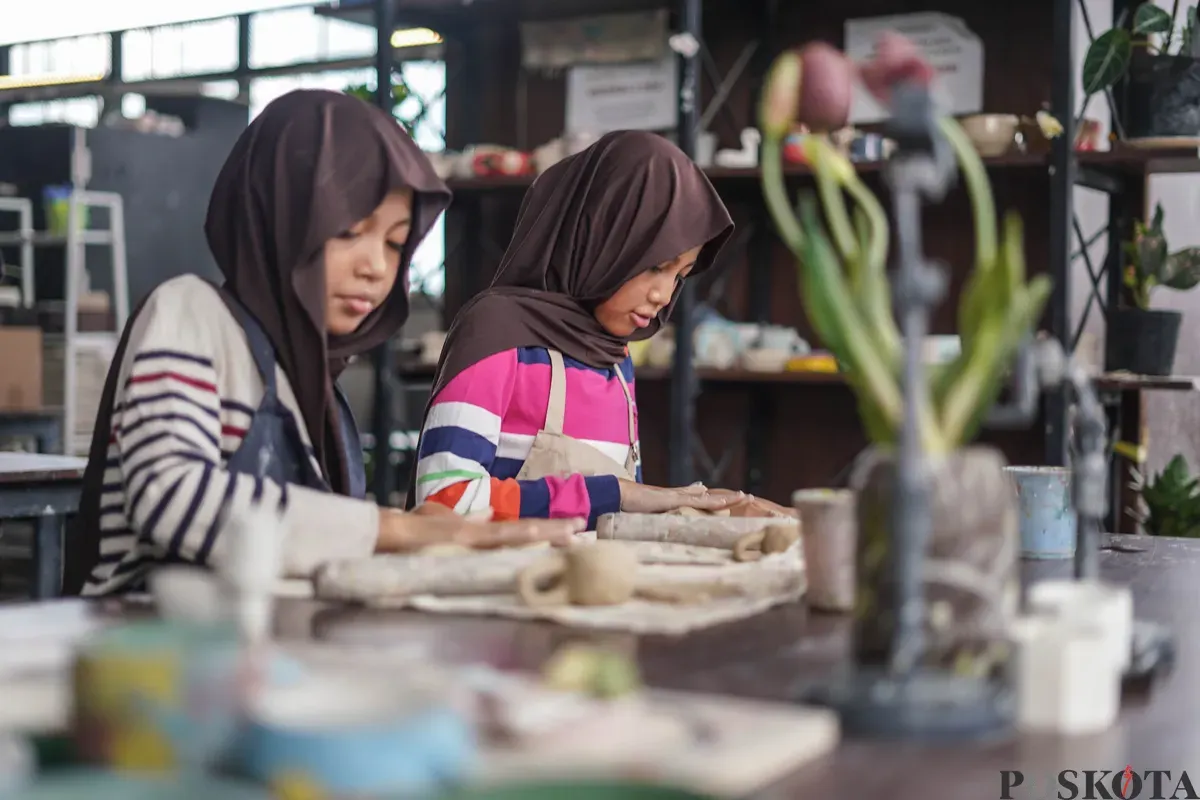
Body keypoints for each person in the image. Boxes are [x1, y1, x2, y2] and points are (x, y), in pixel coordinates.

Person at [65, 89, 582, 597]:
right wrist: (394, 530)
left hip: (251, 651)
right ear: (278, 214)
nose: (375, 266)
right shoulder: (189, 314)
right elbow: (172, 496)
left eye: (395, 243)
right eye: (350, 231)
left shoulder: (314, 388)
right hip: (142, 646)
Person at [405, 130, 761, 529]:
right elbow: (442, 502)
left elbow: (617, 521)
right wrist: (618, 493)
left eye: (680, 276)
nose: (664, 294)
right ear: (599, 235)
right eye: (656, 266)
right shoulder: (495, 335)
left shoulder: (614, 357)